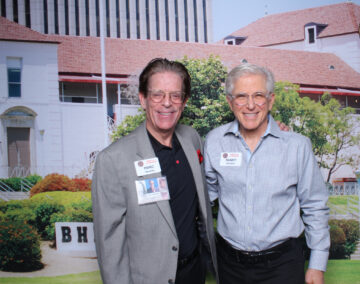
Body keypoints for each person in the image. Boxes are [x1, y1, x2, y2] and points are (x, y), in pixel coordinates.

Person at [92, 58, 218, 284]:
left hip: (194, 273)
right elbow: (109, 243)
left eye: (175, 95)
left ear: (184, 101)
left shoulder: (192, 140)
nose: (166, 103)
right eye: (158, 94)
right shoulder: (113, 160)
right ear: (143, 99)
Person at [204, 63, 330, 284]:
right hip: (229, 265)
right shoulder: (215, 141)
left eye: (258, 96)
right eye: (241, 96)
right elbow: (206, 194)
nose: (250, 105)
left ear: (270, 100)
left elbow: (315, 205)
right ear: (230, 102)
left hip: (283, 266)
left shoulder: (297, 146)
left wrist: (317, 264)